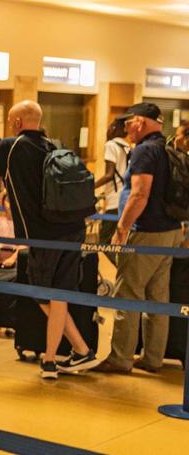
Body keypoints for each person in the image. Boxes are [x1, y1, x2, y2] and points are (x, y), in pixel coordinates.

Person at [0, 100, 98, 379]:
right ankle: (75, 352)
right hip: (73, 229)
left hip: (43, 237)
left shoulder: (10, 146)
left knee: (45, 294)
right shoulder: (54, 145)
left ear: (17, 122)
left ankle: (53, 360)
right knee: (58, 295)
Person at [95, 103, 183, 375]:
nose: (127, 127)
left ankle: (121, 358)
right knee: (158, 297)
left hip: (146, 232)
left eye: (130, 122)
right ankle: (153, 358)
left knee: (128, 292)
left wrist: (122, 230)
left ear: (141, 123)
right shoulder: (168, 148)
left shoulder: (145, 150)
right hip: (171, 231)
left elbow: (139, 194)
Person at [95, 116, 130, 263]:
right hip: (126, 200)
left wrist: (90, 186)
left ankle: (121, 271)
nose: (108, 130)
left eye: (110, 127)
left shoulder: (110, 145)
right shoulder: (128, 146)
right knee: (119, 241)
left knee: (104, 242)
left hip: (115, 201)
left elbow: (110, 175)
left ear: (115, 129)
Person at [0, 189, 24, 269]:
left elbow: (24, 245)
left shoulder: (22, 224)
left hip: (16, 263)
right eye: (8, 200)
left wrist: (13, 258)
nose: (10, 205)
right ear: (3, 203)